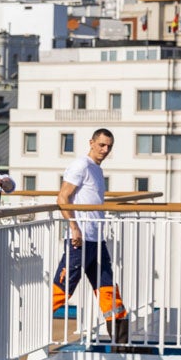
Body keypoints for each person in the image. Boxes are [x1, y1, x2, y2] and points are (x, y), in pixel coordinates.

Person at [54, 128, 128, 341]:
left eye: (109, 146)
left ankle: (121, 343)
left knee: (108, 289)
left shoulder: (96, 169)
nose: (105, 150)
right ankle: (30, 335)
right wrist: (74, 227)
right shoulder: (81, 165)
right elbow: (63, 197)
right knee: (62, 290)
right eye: (102, 145)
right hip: (81, 238)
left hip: (96, 239)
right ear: (92, 143)